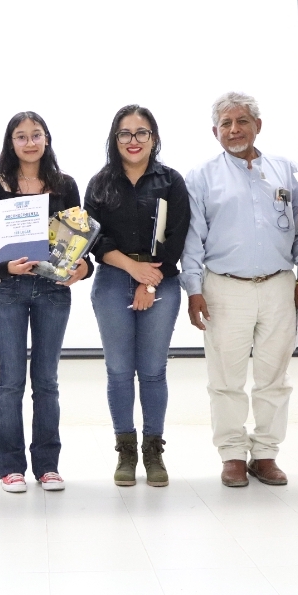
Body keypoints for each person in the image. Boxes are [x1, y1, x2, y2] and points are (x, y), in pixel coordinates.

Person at [181, 91, 298, 488]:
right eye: (225, 123)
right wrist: (193, 289)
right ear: (215, 132)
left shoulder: (285, 171)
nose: (234, 129)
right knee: (226, 379)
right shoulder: (201, 176)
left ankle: (265, 454)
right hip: (224, 288)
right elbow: (193, 240)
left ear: (257, 125)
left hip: (279, 286)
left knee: (274, 377)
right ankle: (232, 456)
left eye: (242, 121)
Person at [0, 112, 92, 493]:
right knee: (10, 381)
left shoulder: (65, 185)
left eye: (36, 135)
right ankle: (10, 466)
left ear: (47, 139)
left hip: (52, 291)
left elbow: (79, 240)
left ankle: (47, 465)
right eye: (21, 136)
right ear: (11, 142)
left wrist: (83, 267)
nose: (29, 142)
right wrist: (4, 265)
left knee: (46, 381)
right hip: (7, 290)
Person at [84, 105, 190, 487]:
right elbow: (94, 239)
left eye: (141, 132)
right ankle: (126, 451)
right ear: (115, 139)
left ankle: (153, 451)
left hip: (161, 280)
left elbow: (177, 236)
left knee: (152, 370)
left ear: (153, 138)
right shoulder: (100, 183)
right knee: (118, 370)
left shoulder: (171, 181)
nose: (133, 140)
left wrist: (149, 283)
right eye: (125, 133)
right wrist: (133, 270)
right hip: (113, 280)